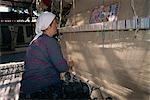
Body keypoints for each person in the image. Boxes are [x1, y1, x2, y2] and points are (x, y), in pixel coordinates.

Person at [19, 11, 69, 99]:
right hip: (42, 90)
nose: (57, 25)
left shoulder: (35, 42)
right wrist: (69, 64)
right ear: (48, 25)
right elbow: (62, 67)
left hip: (27, 90)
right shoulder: (50, 42)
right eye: (55, 23)